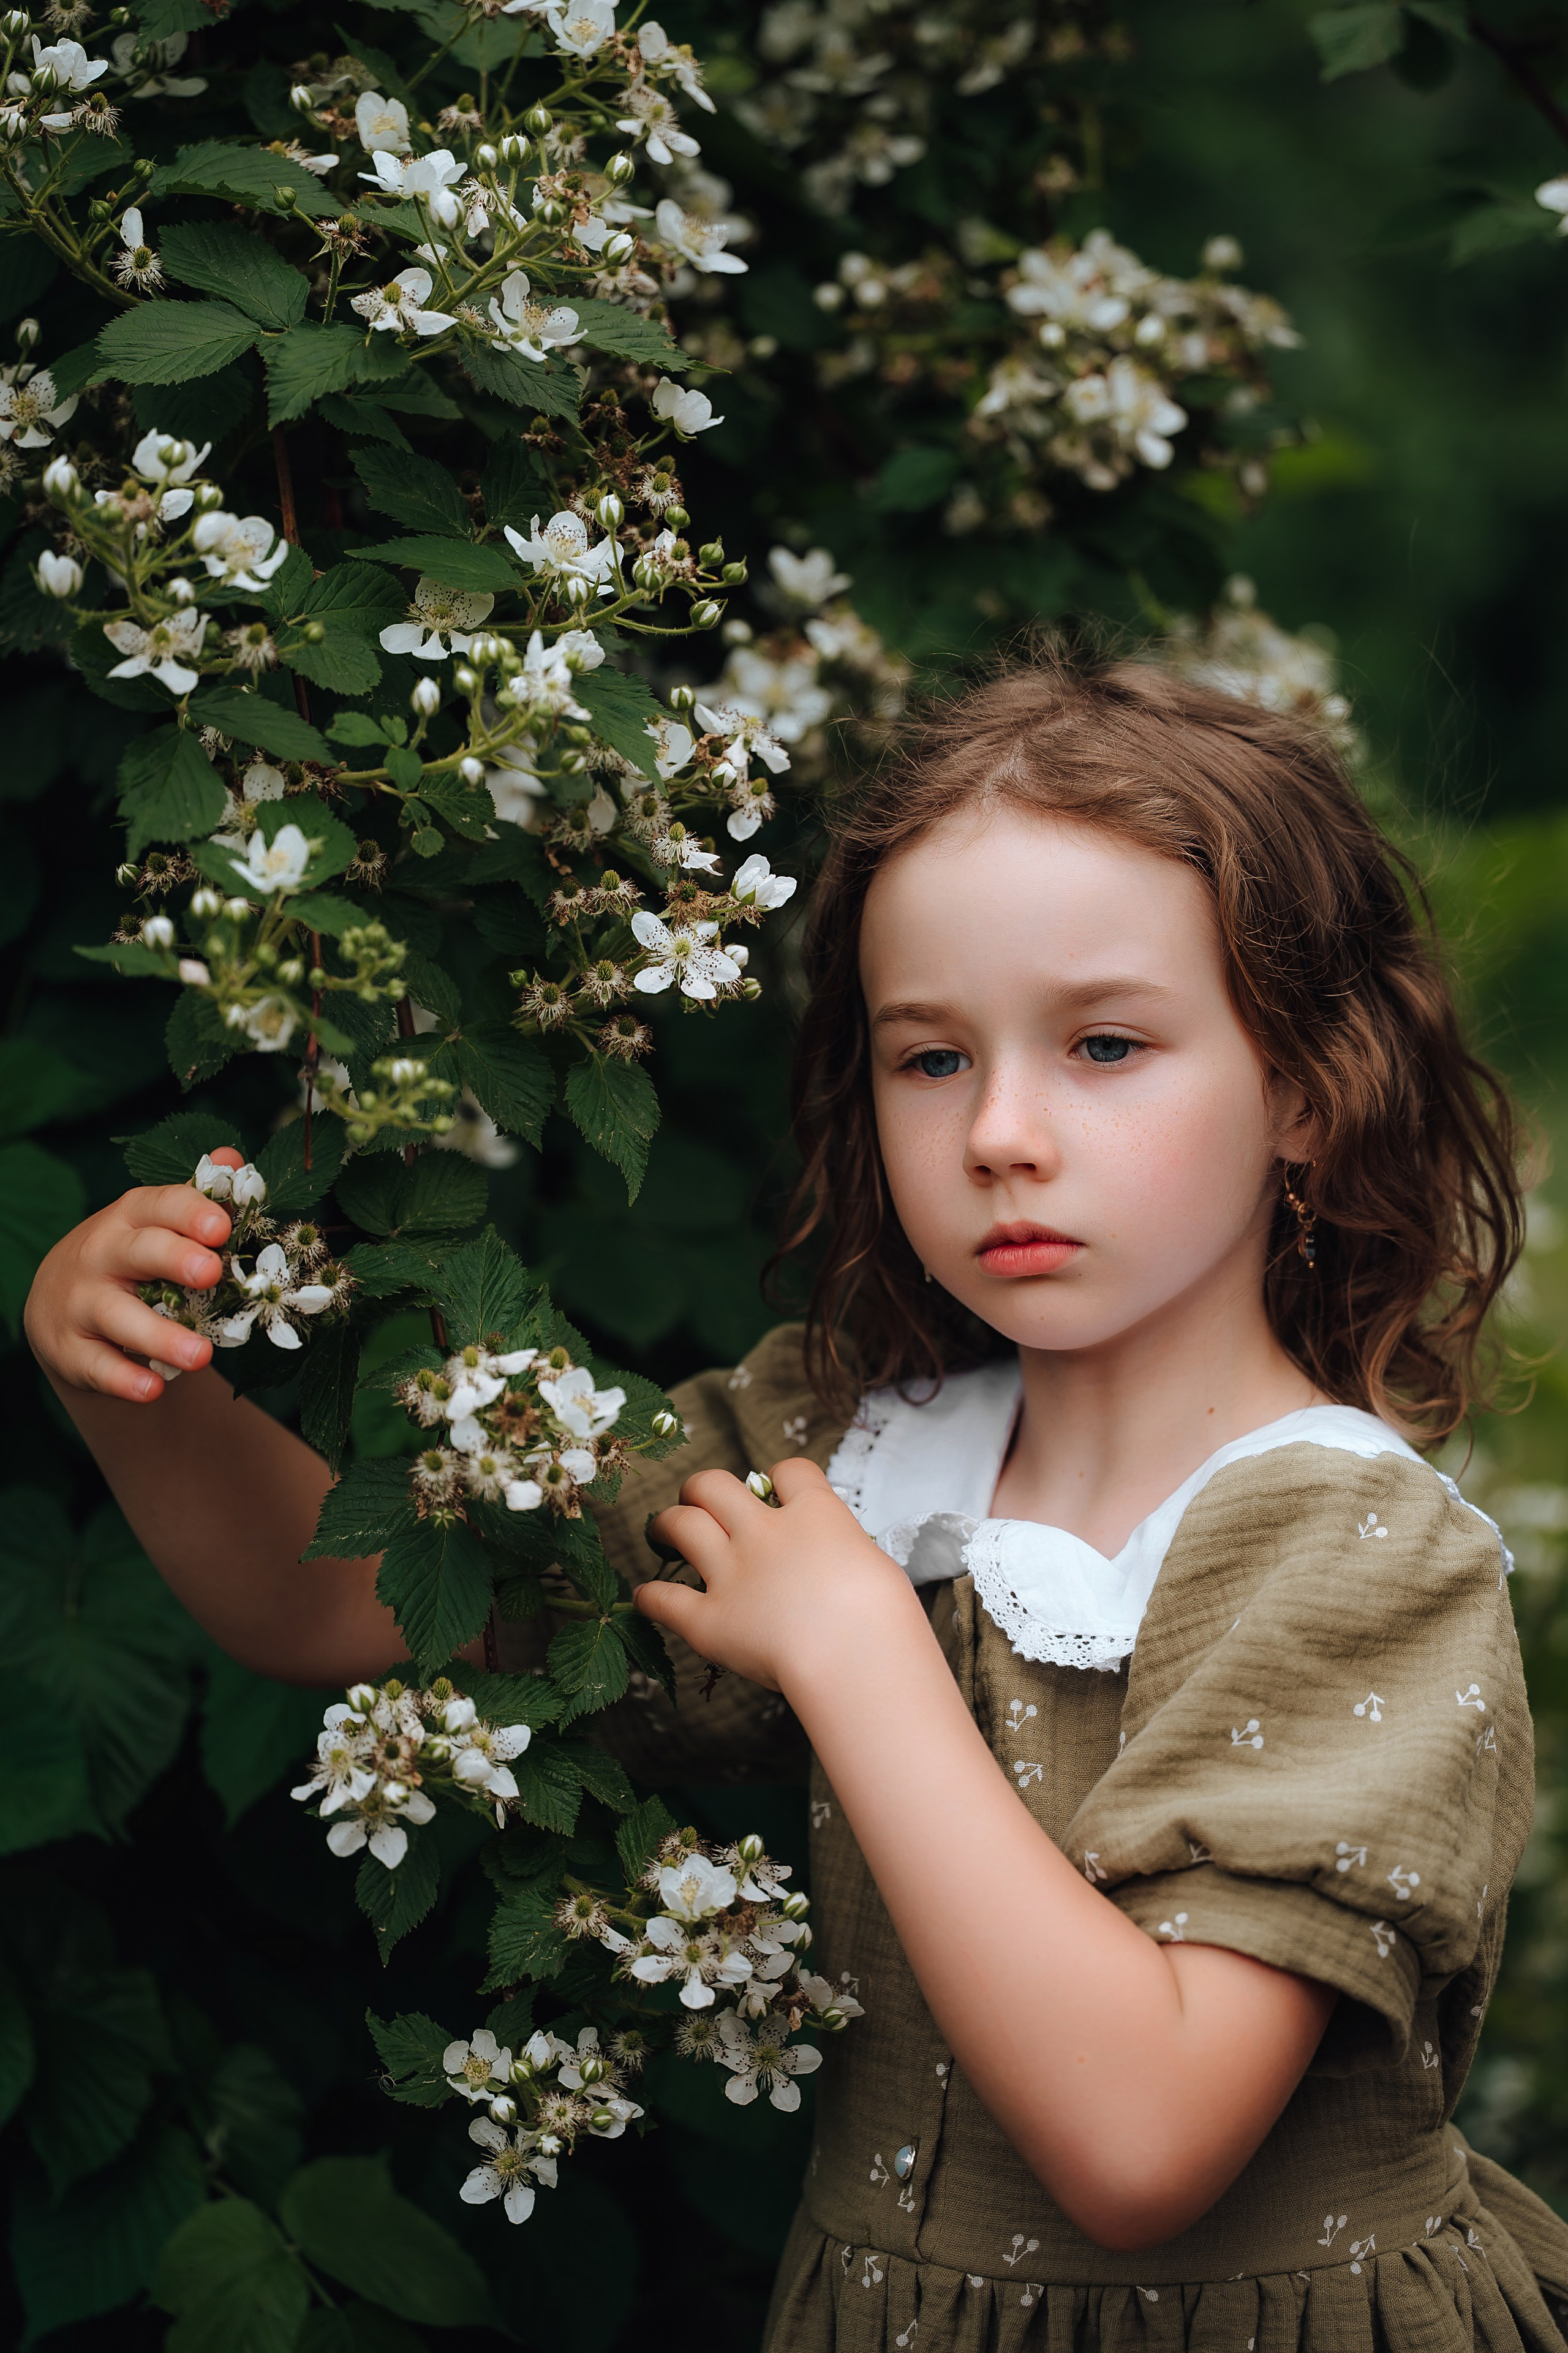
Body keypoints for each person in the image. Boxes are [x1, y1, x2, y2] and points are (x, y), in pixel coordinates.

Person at [25, 655, 1568, 2353]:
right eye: (929, 1058)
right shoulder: (855, 1444)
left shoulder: (1359, 1546)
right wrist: (141, 1384)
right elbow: (350, 1602)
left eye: (1107, 1043)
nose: (1000, 1130)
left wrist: (856, 1655)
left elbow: (1147, 2138)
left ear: (1304, 1083)